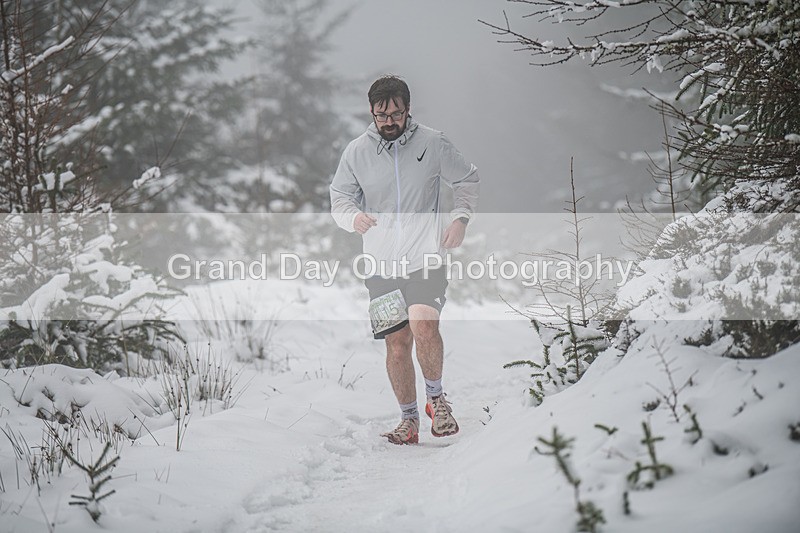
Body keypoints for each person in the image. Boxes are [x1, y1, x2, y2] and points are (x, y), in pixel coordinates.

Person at [329, 75, 480, 445]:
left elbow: (468, 180)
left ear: (408, 110)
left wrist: (460, 220)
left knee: (423, 324)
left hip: (426, 257)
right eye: (382, 115)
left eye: (396, 113)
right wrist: (353, 218)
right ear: (371, 113)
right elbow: (339, 200)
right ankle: (409, 421)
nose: (390, 121)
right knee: (396, 342)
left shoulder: (433, 142)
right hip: (380, 265)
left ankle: (437, 400)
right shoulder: (356, 152)